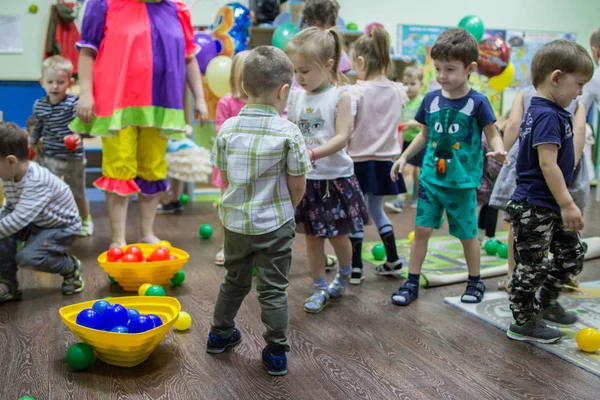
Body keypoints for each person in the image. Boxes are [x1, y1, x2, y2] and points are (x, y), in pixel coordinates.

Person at [206, 46, 311, 376]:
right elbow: (297, 184)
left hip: (236, 222)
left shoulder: (228, 128)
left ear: (242, 85)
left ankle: (218, 335)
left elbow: (223, 175)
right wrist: (287, 210)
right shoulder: (288, 131)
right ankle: (276, 350)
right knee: (273, 288)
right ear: (283, 91)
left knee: (234, 281)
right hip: (275, 223)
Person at [70, 0, 208, 248]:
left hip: (161, 105)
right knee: (118, 168)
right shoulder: (104, 4)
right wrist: (86, 93)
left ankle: (147, 232)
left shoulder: (177, 10)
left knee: (153, 168)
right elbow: (87, 51)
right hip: (117, 104)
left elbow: (189, 58)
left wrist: (200, 98)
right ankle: (118, 239)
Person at [389, 28, 507, 306]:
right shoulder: (431, 100)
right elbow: (424, 134)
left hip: (462, 184)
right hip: (431, 180)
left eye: (450, 69)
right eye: (438, 68)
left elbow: (491, 132)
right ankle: (412, 281)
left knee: (468, 237)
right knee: (422, 232)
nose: (442, 76)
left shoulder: (478, 102)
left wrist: (498, 147)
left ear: (470, 68)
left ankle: (475, 281)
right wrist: (404, 157)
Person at [506, 39, 594, 344]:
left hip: (548, 204)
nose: (581, 92)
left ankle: (546, 304)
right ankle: (523, 322)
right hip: (535, 206)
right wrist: (568, 204)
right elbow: (547, 164)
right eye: (578, 84)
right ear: (555, 77)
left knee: (571, 254)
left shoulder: (550, 110)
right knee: (532, 267)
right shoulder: (546, 115)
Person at [286, 27, 369, 313]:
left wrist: (312, 153)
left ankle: (344, 274)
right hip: (307, 181)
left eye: (305, 71)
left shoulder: (341, 97)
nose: (299, 77)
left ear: (329, 66)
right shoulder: (295, 97)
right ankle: (319, 287)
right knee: (312, 238)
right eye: (296, 71)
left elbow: (342, 136)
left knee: (338, 236)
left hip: (335, 180)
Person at [490, 87, 589, 293]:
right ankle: (562, 275)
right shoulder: (575, 102)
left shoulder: (524, 94)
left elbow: (513, 125)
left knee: (520, 226)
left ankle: (512, 274)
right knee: (559, 220)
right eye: (578, 84)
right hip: (560, 159)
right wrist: (573, 162)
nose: (578, 91)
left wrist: (506, 155)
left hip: (527, 158)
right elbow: (579, 131)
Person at [346, 23, 407, 285]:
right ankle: (393, 259)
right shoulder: (397, 91)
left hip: (358, 161)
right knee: (377, 210)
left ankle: (356, 268)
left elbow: (348, 127)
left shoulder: (357, 91)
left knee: (356, 214)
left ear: (360, 61)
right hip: (386, 162)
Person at [0, 123, 84, 304]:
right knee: (2, 222)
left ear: (11, 161)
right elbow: (10, 208)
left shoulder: (36, 180)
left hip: (62, 227)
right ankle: (7, 282)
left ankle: (70, 267)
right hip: (37, 221)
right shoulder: (9, 175)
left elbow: (18, 219)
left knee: (27, 258)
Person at [30, 55, 94, 236]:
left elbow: (84, 128)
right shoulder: (39, 105)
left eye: (60, 82)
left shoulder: (74, 104)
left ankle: (85, 220)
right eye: (50, 82)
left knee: (77, 191)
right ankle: (54, 222)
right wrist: (31, 142)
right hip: (49, 157)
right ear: (42, 82)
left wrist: (80, 136)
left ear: (70, 83)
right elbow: (37, 127)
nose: (55, 86)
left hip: (72, 157)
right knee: (50, 192)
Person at [212, 50, 251, 266]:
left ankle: (250, 247)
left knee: (250, 207)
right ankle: (226, 245)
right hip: (229, 166)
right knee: (228, 207)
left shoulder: (262, 102)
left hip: (253, 167)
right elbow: (221, 131)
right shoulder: (227, 102)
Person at [385, 66, 424, 213]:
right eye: (406, 84)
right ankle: (419, 196)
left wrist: (407, 125)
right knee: (416, 173)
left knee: (407, 169)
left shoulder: (422, 100)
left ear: (421, 84)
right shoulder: (403, 100)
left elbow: (423, 122)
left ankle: (400, 200)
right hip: (405, 141)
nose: (409, 88)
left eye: (413, 84)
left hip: (419, 142)